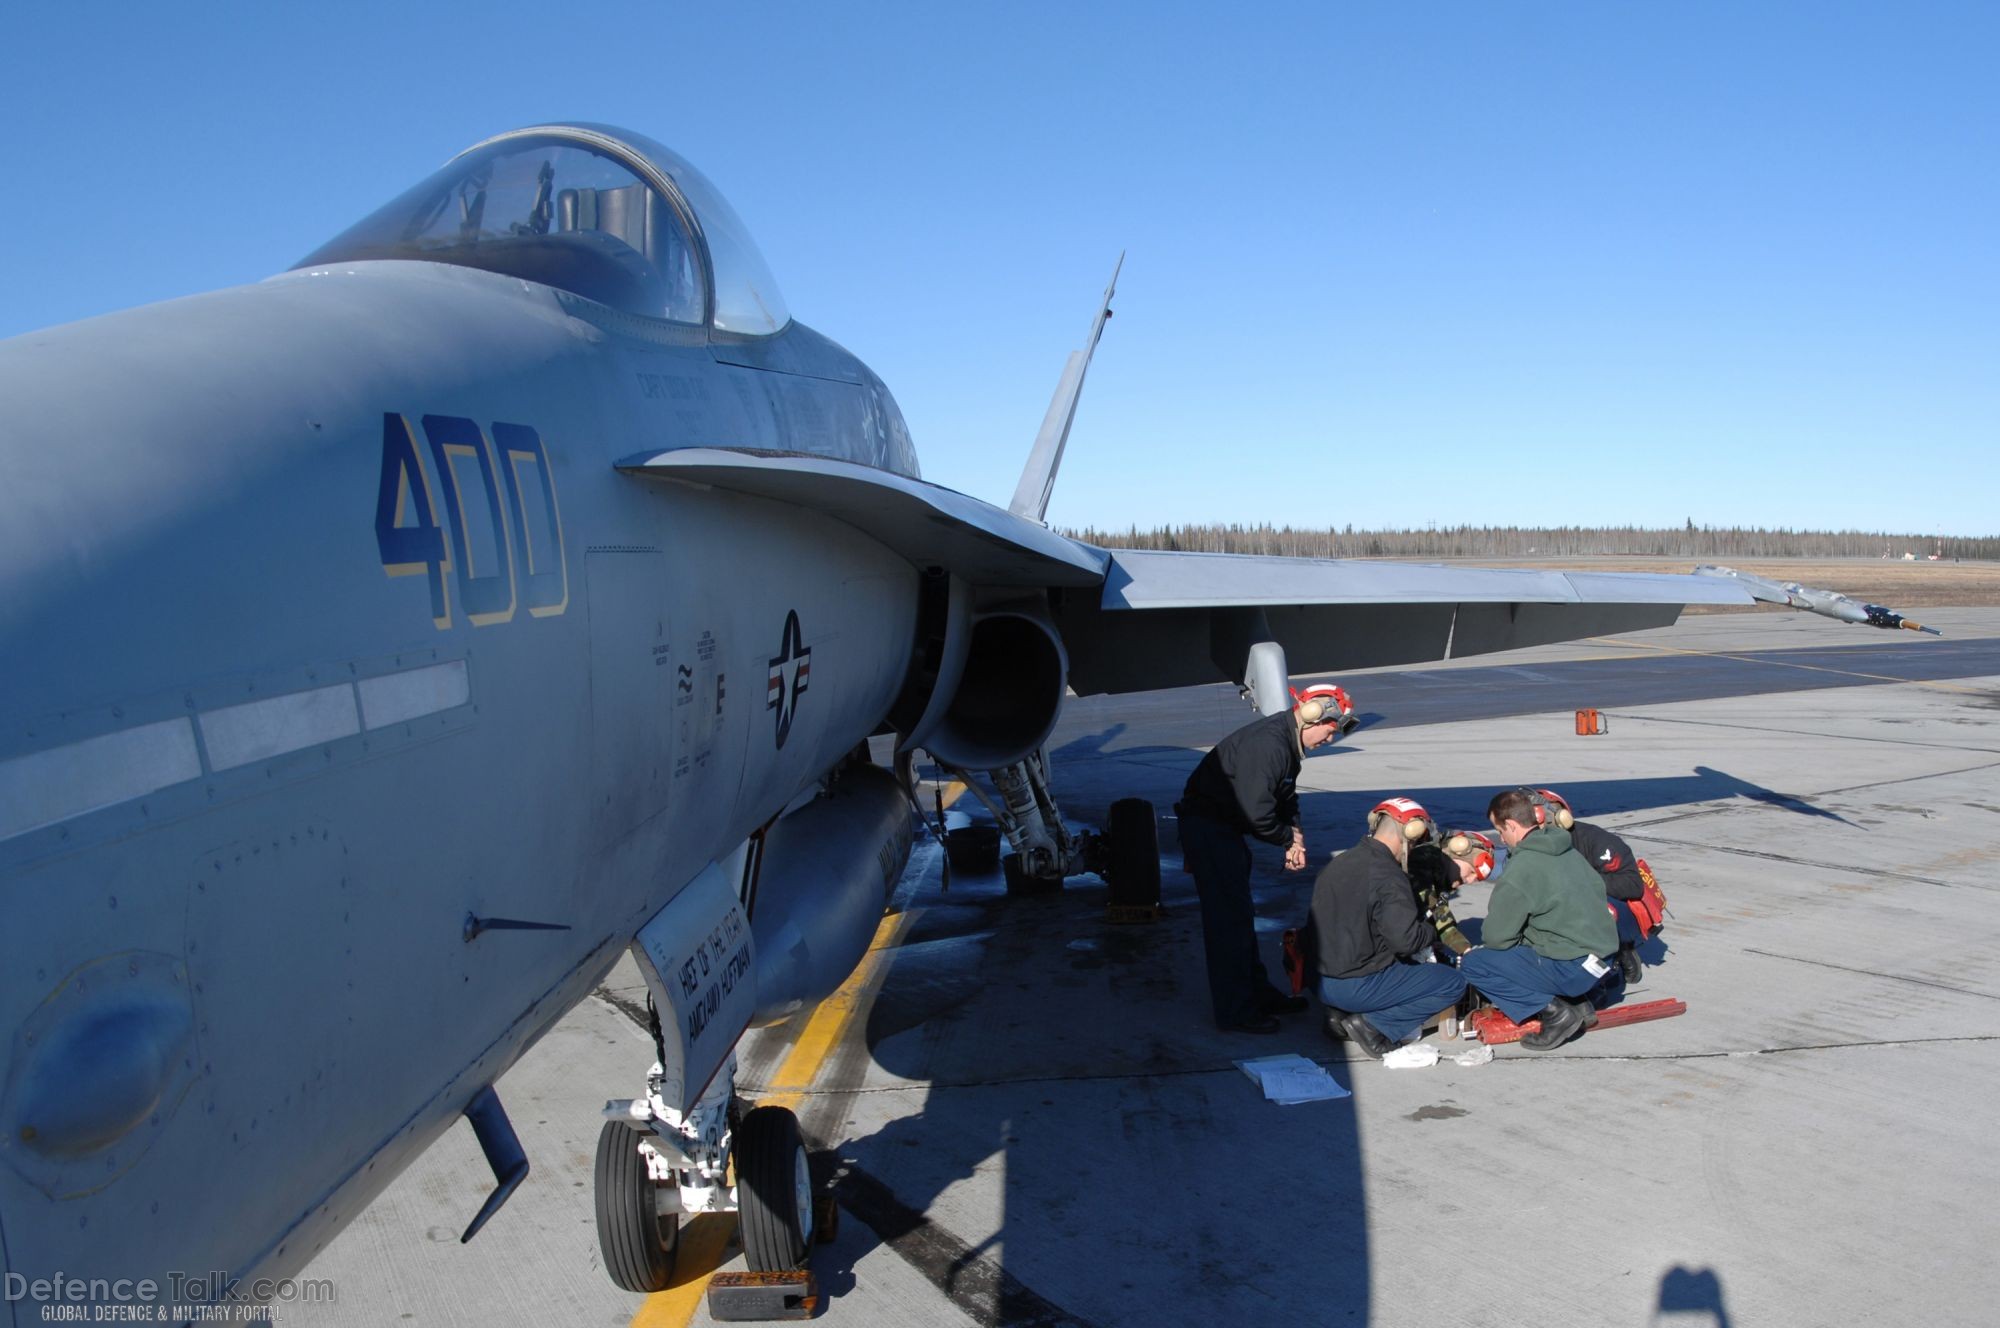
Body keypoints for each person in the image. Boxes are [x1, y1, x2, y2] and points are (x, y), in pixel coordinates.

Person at [1177, 684, 1353, 1033]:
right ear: (1311, 717)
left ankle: (1256, 994)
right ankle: (1236, 1012)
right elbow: (1257, 812)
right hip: (1210, 831)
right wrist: (1286, 839)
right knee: (1228, 923)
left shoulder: (1288, 747)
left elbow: (1286, 798)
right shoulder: (1270, 744)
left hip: (1225, 831)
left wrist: (1295, 836)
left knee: (1241, 917)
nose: (1329, 740)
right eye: (1329, 731)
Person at [1459, 788, 1620, 1050]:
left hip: (1573, 969)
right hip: (1603, 963)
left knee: (1476, 964)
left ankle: (1556, 1013)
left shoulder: (1523, 869)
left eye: (1499, 831)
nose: (1501, 838)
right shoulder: (1569, 852)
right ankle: (1580, 1002)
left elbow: (1496, 938)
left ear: (1511, 826)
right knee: (1542, 935)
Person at [1308, 797, 1469, 1057]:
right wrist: (1431, 932)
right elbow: (1405, 941)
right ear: (1410, 833)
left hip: (1320, 982)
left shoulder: (1338, 863)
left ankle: (1340, 1015)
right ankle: (1373, 1026)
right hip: (1356, 986)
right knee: (1452, 983)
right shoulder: (1390, 877)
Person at [1535, 789, 1654, 985]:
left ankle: (1621, 948)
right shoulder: (1526, 848)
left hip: (1605, 904)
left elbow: (1632, 886)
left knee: (1598, 909)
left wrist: (1581, 882)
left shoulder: (1595, 840)